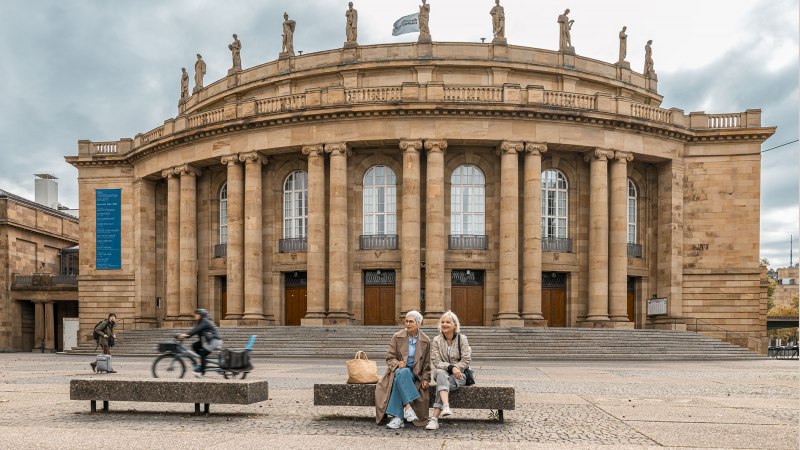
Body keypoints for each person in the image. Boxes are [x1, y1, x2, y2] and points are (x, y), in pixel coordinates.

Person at [375, 310, 431, 429]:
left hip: (416, 374)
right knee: (403, 372)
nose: (408, 324)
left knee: (400, 379)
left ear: (419, 323)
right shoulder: (397, 336)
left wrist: (426, 378)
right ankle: (407, 408)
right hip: (397, 371)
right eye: (406, 321)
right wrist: (397, 363)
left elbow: (427, 363)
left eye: (411, 321)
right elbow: (390, 357)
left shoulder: (425, 340)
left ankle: (398, 418)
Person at [426, 310, 471, 430]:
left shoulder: (462, 339)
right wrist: (451, 367)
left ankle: (434, 418)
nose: (444, 324)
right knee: (441, 374)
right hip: (443, 372)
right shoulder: (436, 340)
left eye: (448, 322)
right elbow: (436, 361)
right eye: (442, 322)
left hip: (460, 375)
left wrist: (457, 368)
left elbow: (466, 359)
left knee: (442, 385)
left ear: (455, 325)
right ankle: (445, 405)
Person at [179, 309, 222, 376]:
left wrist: (187, 335)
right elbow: (197, 330)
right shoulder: (200, 321)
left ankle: (201, 372)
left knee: (203, 354)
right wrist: (187, 336)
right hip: (208, 340)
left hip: (214, 341)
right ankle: (204, 361)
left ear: (201, 315)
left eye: (197, 314)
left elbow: (196, 330)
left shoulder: (204, 321)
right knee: (194, 346)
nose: (195, 315)